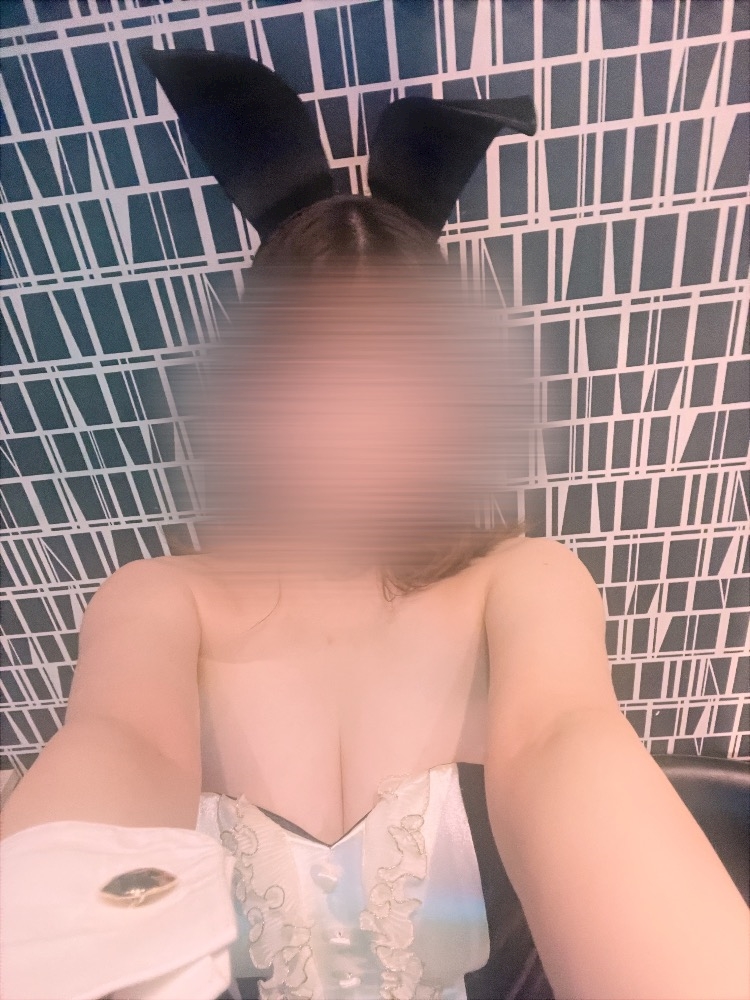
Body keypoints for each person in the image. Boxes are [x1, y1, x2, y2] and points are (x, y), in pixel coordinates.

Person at [1, 51, 748, 1000]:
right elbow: (113, 757)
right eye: (322, 373)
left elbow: (570, 748)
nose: (361, 426)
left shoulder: (522, 586)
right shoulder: (158, 604)